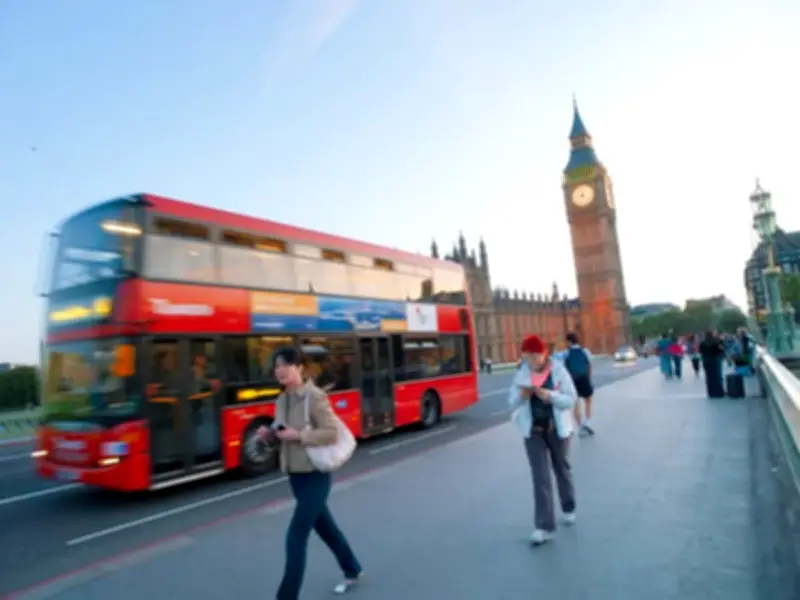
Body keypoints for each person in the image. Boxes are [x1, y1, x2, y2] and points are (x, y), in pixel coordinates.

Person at [258, 347, 363, 599]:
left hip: (316, 474)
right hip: (295, 476)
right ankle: (352, 568)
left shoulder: (314, 397)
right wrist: (269, 438)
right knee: (326, 528)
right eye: (276, 366)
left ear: (299, 368)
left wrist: (299, 435)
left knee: (295, 536)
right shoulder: (281, 400)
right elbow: (282, 437)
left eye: (285, 365)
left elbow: (331, 432)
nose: (280, 370)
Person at [508, 334, 578, 546]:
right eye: (528, 357)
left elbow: (570, 399)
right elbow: (511, 402)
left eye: (536, 356)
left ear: (544, 353)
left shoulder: (558, 371)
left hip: (557, 429)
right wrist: (522, 396)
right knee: (540, 477)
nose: (533, 361)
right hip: (533, 431)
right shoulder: (521, 375)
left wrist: (551, 396)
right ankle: (544, 526)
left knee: (561, 468)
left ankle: (568, 506)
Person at [563, 332, 595, 436]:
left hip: (572, 381)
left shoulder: (566, 353)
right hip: (584, 378)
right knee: (588, 400)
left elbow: (564, 369)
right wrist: (589, 379)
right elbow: (589, 366)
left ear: (568, 342)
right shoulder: (585, 351)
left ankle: (581, 427)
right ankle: (587, 422)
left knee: (575, 404)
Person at [699, 331, 726, 398]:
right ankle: (718, 392)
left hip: (706, 362)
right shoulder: (716, 343)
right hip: (715, 361)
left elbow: (701, 351)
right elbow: (722, 350)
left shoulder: (703, 343)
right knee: (717, 377)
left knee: (709, 377)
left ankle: (711, 392)